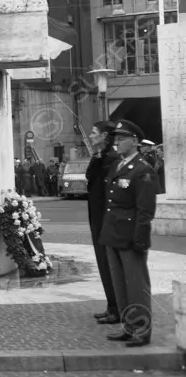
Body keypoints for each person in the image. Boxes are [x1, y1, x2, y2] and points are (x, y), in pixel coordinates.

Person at [99, 119, 157, 348]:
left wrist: (140, 239)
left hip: (131, 236)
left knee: (135, 285)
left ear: (135, 141)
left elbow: (145, 210)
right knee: (120, 285)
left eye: (122, 139)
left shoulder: (143, 170)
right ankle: (128, 327)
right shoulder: (119, 166)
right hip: (113, 234)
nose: (117, 142)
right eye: (115, 139)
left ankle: (142, 331)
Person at [87, 120, 122, 325]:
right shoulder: (100, 157)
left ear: (104, 137)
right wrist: (98, 159)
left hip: (106, 221)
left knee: (110, 265)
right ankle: (111, 305)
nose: (91, 136)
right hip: (97, 218)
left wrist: (101, 159)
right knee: (103, 264)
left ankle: (117, 308)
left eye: (94, 132)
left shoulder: (112, 159)